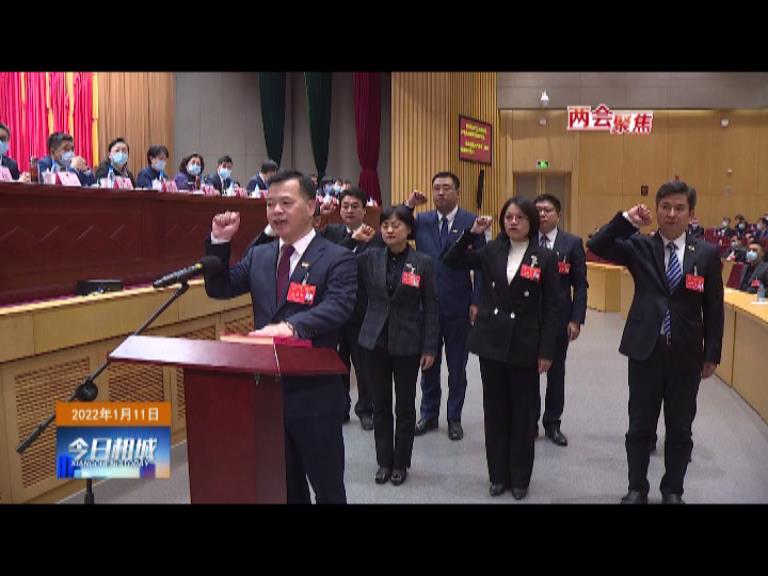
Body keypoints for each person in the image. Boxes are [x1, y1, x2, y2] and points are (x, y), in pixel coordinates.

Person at [203, 170, 356, 504]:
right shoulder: (260, 255)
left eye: (286, 203)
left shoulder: (337, 257)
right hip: (267, 393)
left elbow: (339, 306)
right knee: (285, 489)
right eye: (270, 204)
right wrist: (219, 242)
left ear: (311, 206)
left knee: (328, 489)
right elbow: (220, 287)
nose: (276, 211)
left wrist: (292, 327)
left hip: (314, 393)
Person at [587, 180, 724, 504]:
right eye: (665, 207)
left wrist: (712, 353)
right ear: (657, 210)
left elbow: (713, 307)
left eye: (679, 208)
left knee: (680, 429)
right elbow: (597, 245)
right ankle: (637, 488)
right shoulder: (640, 246)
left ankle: (673, 490)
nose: (671, 214)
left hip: (686, 354)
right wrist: (627, 220)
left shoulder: (706, 254)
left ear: (691, 213)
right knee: (640, 426)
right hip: (646, 349)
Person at [443, 196, 558, 500]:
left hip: (525, 343)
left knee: (522, 414)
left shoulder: (544, 258)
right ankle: (497, 475)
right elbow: (451, 260)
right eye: (508, 217)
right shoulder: (492, 250)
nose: (513, 222)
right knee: (494, 412)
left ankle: (519, 478)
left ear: (531, 222)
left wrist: (547, 351)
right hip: (492, 341)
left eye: (520, 217)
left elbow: (553, 308)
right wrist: (471, 233)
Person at [357, 205, 439, 486]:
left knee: (404, 407)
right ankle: (384, 461)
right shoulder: (370, 257)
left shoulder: (423, 262)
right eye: (385, 225)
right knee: (380, 405)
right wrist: (353, 240)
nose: (390, 230)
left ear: (409, 229)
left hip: (408, 342)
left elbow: (431, 307)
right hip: (374, 341)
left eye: (396, 225)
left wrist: (430, 347)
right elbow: (341, 262)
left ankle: (401, 463)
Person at [405, 171, 485, 441]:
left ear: (458, 192)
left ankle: (454, 418)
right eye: (436, 188)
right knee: (428, 363)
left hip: (458, 304)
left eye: (447, 188)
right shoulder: (422, 220)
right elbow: (396, 224)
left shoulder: (471, 222)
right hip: (425, 306)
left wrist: (477, 301)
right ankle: (428, 414)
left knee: (457, 366)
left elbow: (482, 265)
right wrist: (409, 205)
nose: (441, 193)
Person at [533, 194, 588, 446]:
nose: (542, 214)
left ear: (558, 214)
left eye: (547, 210)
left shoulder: (571, 243)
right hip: (529, 320)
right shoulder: (525, 240)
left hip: (559, 320)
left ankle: (552, 423)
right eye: (538, 210)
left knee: (556, 374)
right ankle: (529, 422)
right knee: (528, 374)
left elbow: (580, 285)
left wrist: (576, 319)